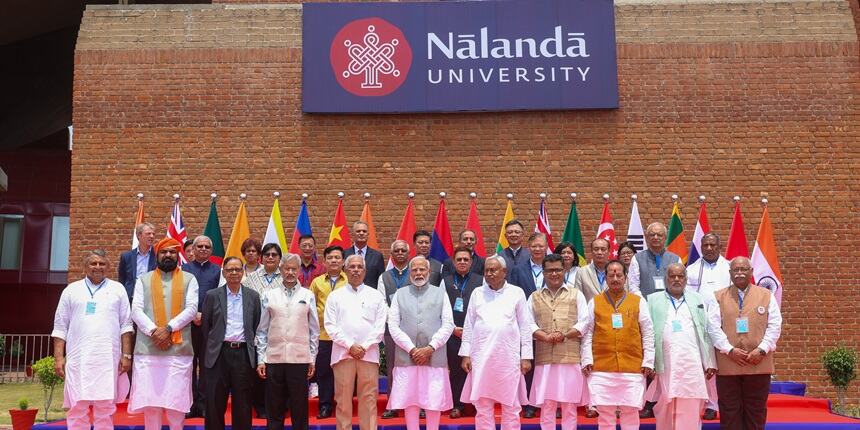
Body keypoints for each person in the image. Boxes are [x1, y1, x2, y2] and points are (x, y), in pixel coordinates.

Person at [52, 250, 134, 430]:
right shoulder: (71, 290)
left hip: (107, 356)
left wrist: (126, 355)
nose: (98, 267)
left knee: (105, 405)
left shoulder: (117, 289)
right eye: (93, 263)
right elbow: (60, 326)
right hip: (78, 357)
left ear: (108, 267)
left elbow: (126, 325)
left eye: (102, 264)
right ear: (85, 266)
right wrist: (59, 358)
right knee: (77, 404)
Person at [129, 238, 199, 430]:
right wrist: (154, 332)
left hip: (178, 350)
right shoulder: (143, 279)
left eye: (173, 252)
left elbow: (192, 309)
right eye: (164, 252)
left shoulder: (189, 279)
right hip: (148, 350)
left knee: (176, 403)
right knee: (151, 404)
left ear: (178, 256)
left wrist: (168, 329)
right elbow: (136, 310)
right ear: (157, 255)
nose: (168, 255)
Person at [459, 255, 535, 430]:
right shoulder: (478, 293)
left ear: (504, 272)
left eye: (493, 270)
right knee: (483, 405)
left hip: (508, 358)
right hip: (481, 358)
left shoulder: (516, 293)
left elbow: (525, 326)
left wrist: (526, 357)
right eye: (487, 270)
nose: (489, 273)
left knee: (511, 405)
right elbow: (469, 325)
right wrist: (465, 355)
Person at [708, 256, 782, 430]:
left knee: (755, 411)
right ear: (730, 273)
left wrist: (762, 350)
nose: (739, 273)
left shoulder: (766, 295)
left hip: (758, 363)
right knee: (729, 411)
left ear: (751, 272)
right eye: (736, 270)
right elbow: (713, 327)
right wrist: (729, 350)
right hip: (728, 364)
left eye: (743, 269)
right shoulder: (718, 296)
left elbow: (775, 325)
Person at [581, 260, 654, 430]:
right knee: (605, 414)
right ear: (605, 277)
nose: (615, 278)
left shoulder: (638, 301)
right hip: (601, 367)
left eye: (619, 275)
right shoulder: (595, 301)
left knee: (630, 412)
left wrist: (648, 360)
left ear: (625, 277)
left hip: (632, 366)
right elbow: (587, 332)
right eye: (611, 275)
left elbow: (648, 332)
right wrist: (587, 359)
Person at [386, 256, 455, 430]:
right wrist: (411, 349)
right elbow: (393, 325)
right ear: (410, 273)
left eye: (422, 269)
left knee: (433, 400)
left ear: (429, 272)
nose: (418, 273)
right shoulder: (400, 295)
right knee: (410, 400)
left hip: (434, 356)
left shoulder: (441, 293)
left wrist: (430, 348)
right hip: (406, 356)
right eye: (415, 270)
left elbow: (448, 324)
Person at [645, 264, 716, 430]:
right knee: (665, 405)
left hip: (692, 363)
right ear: (666, 279)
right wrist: (650, 362)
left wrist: (710, 362)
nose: (676, 279)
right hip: (666, 363)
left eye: (680, 276)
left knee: (691, 403)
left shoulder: (697, 299)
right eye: (672, 276)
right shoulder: (653, 300)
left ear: (686, 279)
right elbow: (648, 334)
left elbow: (706, 332)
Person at [256, 253, 320, 430]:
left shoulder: (307, 295)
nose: (290, 272)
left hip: (299, 359)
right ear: (280, 269)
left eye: (294, 269)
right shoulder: (269, 295)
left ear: (299, 270)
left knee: (299, 408)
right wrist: (261, 358)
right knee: (274, 407)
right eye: (286, 268)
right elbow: (261, 330)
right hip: (274, 358)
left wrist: (311, 358)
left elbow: (314, 331)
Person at [324, 254, 388, 430]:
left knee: (369, 400)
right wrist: (350, 346)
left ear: (365, 271)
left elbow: (379, 326)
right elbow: (330, 326)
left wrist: (364, 347)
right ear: (345, 270)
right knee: (343, 400)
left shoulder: (376, 296)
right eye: (352, 267)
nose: (356, 270)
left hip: (369, 355)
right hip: (343, 355)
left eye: (359, 267)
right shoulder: (335, 297)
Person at [527, 254, 588, 430]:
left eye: (558, 270)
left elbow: (585, 321)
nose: (554, 274)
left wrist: (566, 334)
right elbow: (527, 323)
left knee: (569, 406)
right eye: (550, 270)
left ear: (564, 271)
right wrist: (544, 336)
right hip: (544, 359)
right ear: (543, 272)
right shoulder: (534, 296)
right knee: (547, 405)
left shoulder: (576, 295)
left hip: (569, 358)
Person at [200, 257, 262, 430]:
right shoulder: (212, 296)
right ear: (224, 273)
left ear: (242, 272)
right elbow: (206, 327)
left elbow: (256, 324)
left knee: (242, 403)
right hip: (219, 353)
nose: (234, 273)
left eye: (237, 269)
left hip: (243, 354)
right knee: (214, 402)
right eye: (230, 270)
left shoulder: (253, 296)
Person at [686, 232, 730, 420]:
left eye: (713, 245)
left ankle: (722, 402)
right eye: (706, 245)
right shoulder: (693, 269)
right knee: (707, 365)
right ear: (701, 247)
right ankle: (708, 403)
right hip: (701, 324)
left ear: (719, 247)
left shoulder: (729, 267)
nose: (709, 248)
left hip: (726, 324)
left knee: (725, 366)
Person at [439, 246, 484, 418]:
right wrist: (452, 329)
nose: (463, 262)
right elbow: (442, 308)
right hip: (454, 334)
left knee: (477, 369)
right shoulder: (446, 281)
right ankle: (457, 405)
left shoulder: (481, 280)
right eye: (459, 259)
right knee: (457, 371)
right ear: (453, 262)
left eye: (466, 259)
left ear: (471, 262)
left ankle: (476, 405)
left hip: (476, 334)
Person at [182, 235, 222, 418]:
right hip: (187, 326)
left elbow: (221, 297)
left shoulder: (218, 271)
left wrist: (204, 315)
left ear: (211, 250)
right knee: (188, 365)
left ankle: (204, 404)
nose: (203, 249)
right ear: (193, 249)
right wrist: (191, 315)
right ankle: (189, 404)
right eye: (200, 246)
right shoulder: (183, 270)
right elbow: (178, 296)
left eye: (207, 246)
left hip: (209, 325)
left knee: (207, 366)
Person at [507, 232, 546, 418]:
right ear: (529, 248)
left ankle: (547, 402)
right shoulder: (518, 269)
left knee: (547, 366)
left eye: (541, 246)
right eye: (534, 246)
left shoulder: (553, 267)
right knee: (528, 364)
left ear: (546, 247)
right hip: (524, 325)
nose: (538, 249)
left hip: (549, 324)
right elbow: (511, 295)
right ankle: (530, 404)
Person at [308, 245, 348, 419]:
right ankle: (325, 405)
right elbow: (310, 308)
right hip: (323, 336)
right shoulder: (317, 282)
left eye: (337, 257)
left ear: (343, 261)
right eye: (330, 257)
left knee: (343, 373)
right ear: (324, 261)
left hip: (345, 337)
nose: (334, 260)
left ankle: (343, 405)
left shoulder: (350, 281)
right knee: (324, 372)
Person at [377, 240, 411, 419]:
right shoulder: (384, 277)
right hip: (391, 329)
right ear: (391, 254)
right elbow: (382, 302)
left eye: (403, 250)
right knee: (392, 368)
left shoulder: (415, 273)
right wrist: (394, 321)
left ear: (408, 253)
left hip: (412, 329)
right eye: (396, 250)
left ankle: (415, 403)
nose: (399, 253)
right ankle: (392, 404)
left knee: (413, 367)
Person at [628, 222, 681, 298]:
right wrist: (644, 304)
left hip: (670, 305)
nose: (655, 237)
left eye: (659, 235)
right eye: (652, 234)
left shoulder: (676, 259)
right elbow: (633, 287)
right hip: (645, 305)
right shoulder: (637, 258)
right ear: (647, 237)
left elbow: (680, 284)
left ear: (665, 237)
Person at [118, 223, 157, 301]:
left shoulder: (158, 255)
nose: (152, 236)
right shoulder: (127, 256)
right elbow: (122, 278)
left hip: (151, 298)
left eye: (153, 234)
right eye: (148, 234)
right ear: (139, 235)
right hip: (131, 298)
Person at [343, 221, 386, 288]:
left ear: (368, 235)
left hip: (370, 295)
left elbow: (381, 280)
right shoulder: (344, 254)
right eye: (358, 231)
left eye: (364, 231)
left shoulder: (377, 256)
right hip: (348, 293)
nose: (361, 233)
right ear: (352, 234)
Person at [574, 238, 611, 303]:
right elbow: (577, 297)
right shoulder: (581, 272)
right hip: (589, 312)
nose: (599, 252)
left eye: (603, 249)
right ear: (591, 252)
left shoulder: (617, 271)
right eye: (596, 249)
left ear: (609, 252)